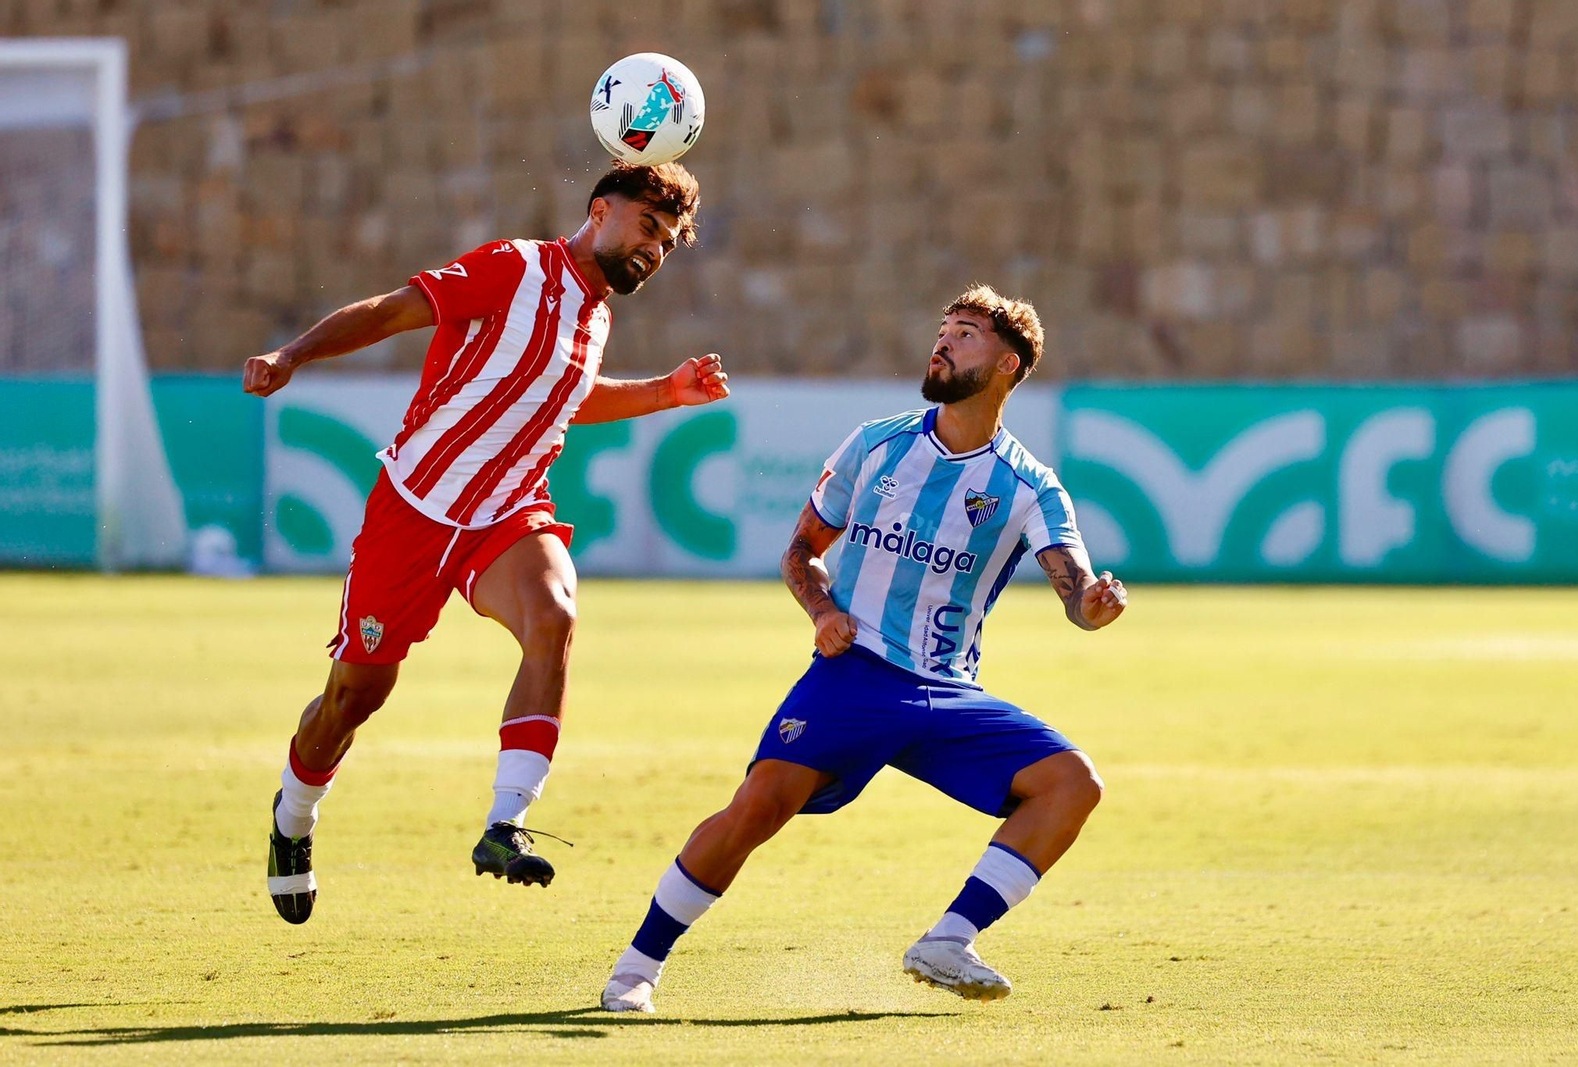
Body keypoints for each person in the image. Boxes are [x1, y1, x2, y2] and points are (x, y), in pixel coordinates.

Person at [599, 285, 1127, 1012]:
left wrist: (1093, 606)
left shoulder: (1030, 486)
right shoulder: (876, 444)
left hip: (946, 690)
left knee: (1073, 783)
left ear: (1008, 363)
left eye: (966, 334)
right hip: (855, 673)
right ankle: (636, 968)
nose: (943, 342)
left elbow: (1077, 592)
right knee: (757, 808)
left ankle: (949, 939)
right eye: (944, 329)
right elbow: (800, 550)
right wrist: (821, 610)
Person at [244, 161, 729, 925]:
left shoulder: (596, 316)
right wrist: (292, 355)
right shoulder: (514, 267)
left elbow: (564, 398)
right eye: (648, 227)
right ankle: (293, 816)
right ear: (600, 210)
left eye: (667, 242)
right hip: (413, 511)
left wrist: (665, 392)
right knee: (354, 696)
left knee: (555, 615)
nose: (654, 250)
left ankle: (506, 822)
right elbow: (392, 311)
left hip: (506, 513)